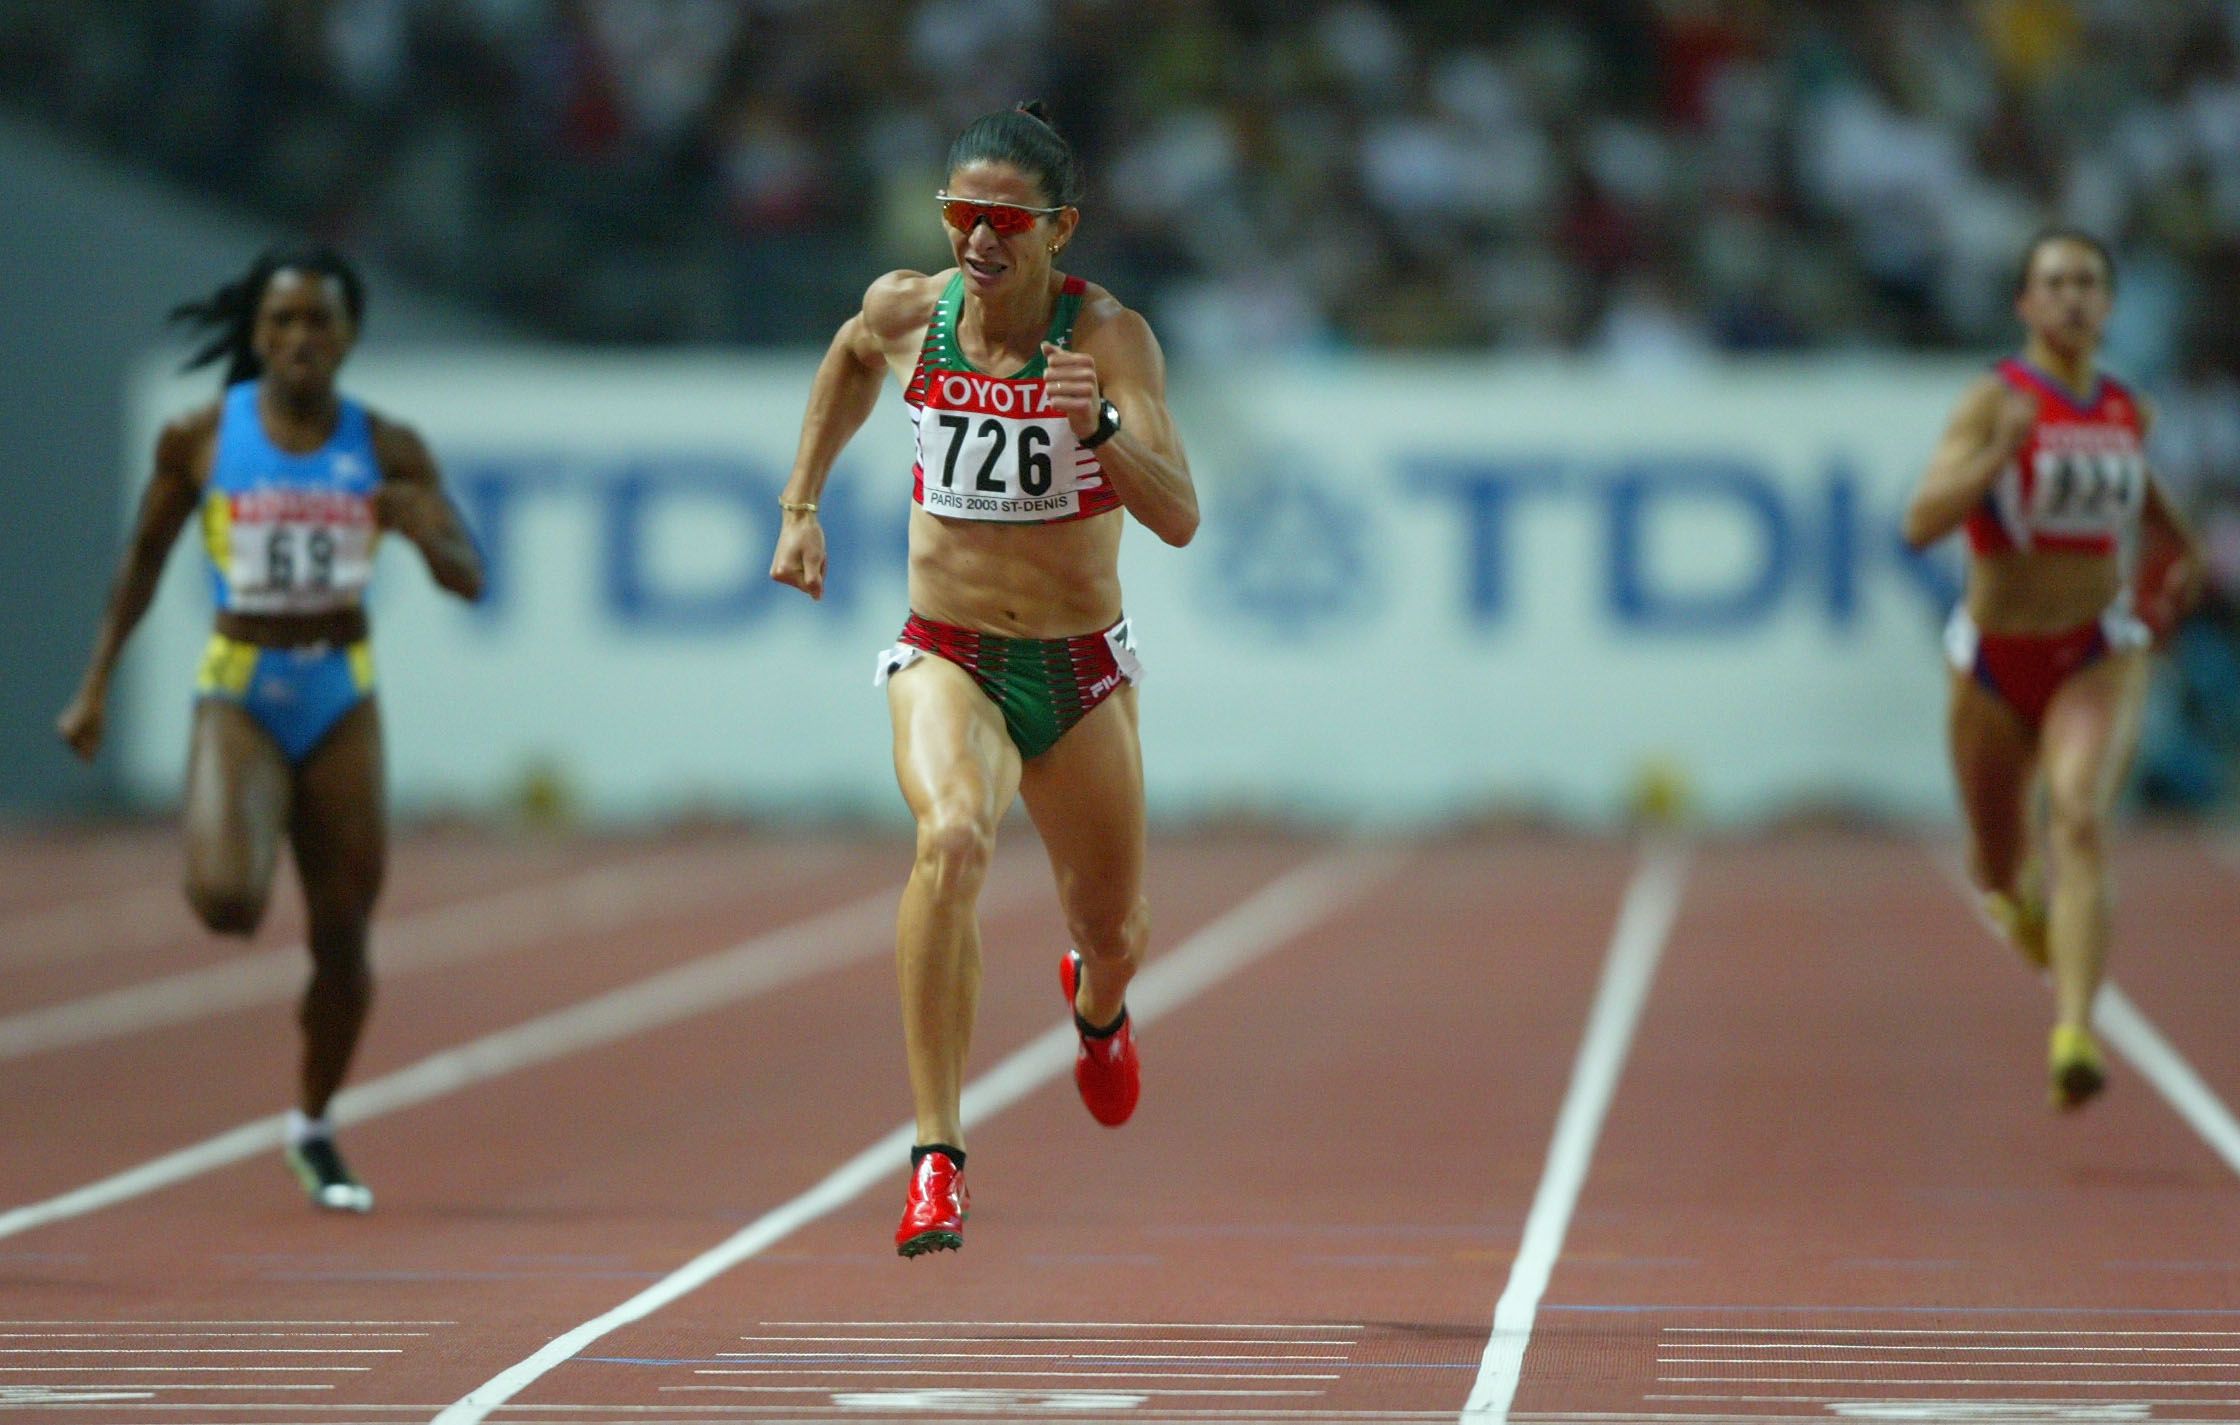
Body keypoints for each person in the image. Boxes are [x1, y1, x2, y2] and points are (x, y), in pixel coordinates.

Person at [768, 103, 1198, 1257]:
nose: (976, 239)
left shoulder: (1108, 338)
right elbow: (850, 357)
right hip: (947, 649)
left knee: (1110, 928)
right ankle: (935, 1159)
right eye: (961, 213)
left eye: (1004, 219)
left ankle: (1096, 1009)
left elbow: (1180, 517)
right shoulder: (911, 310)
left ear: (1059, 228)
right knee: (950, 839)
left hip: (1078, 667)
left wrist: (1100, 425)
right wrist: (800, 505)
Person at [57, 247, 485, 1209]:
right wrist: (93, 688)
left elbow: (470, 576)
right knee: (226, 902)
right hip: (242, 686)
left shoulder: (388, 445)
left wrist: (424, 529)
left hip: (341, 691)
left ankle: (314, 1124)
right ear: (256, 335)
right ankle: (248, 832)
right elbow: (143, 563)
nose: (300, 340)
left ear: (348, 337)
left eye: (318, 323)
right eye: (282, 323)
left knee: (343, 936)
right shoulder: (201, 437)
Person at [1903, 229, 2203, 1110]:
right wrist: (1998, 455)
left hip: (2094, 654)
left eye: (2088, 283)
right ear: (2026, 306)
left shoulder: (2126, 410)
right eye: (2055, 283)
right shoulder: (1993, 401)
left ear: (2108, 306)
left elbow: (2140, 491)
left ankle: (2074, 1030)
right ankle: (2021, 907)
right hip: (1996, 662)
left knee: (2075, 818)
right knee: (1996, 865)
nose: (2072, 298)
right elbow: (1920, 521)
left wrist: (2179, 552)